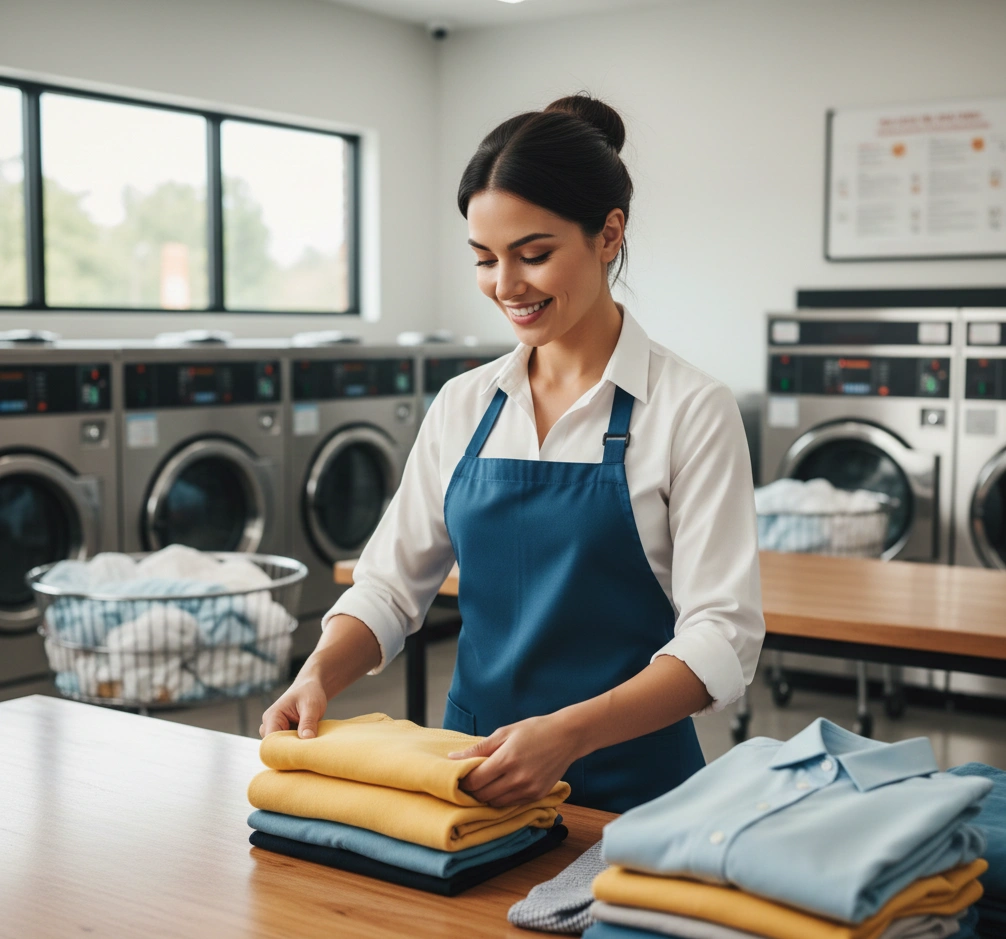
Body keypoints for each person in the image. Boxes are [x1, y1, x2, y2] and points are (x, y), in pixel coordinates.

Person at [261, 93, 765, 814]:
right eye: (485, 259)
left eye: (534, 255)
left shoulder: (690, 409)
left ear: (609, 234)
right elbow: (389, 586)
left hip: (633, 792)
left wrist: (568, 733)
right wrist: (316, 673)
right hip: (468, 781)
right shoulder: (465, 405)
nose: (506, 286)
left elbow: (722, 637)